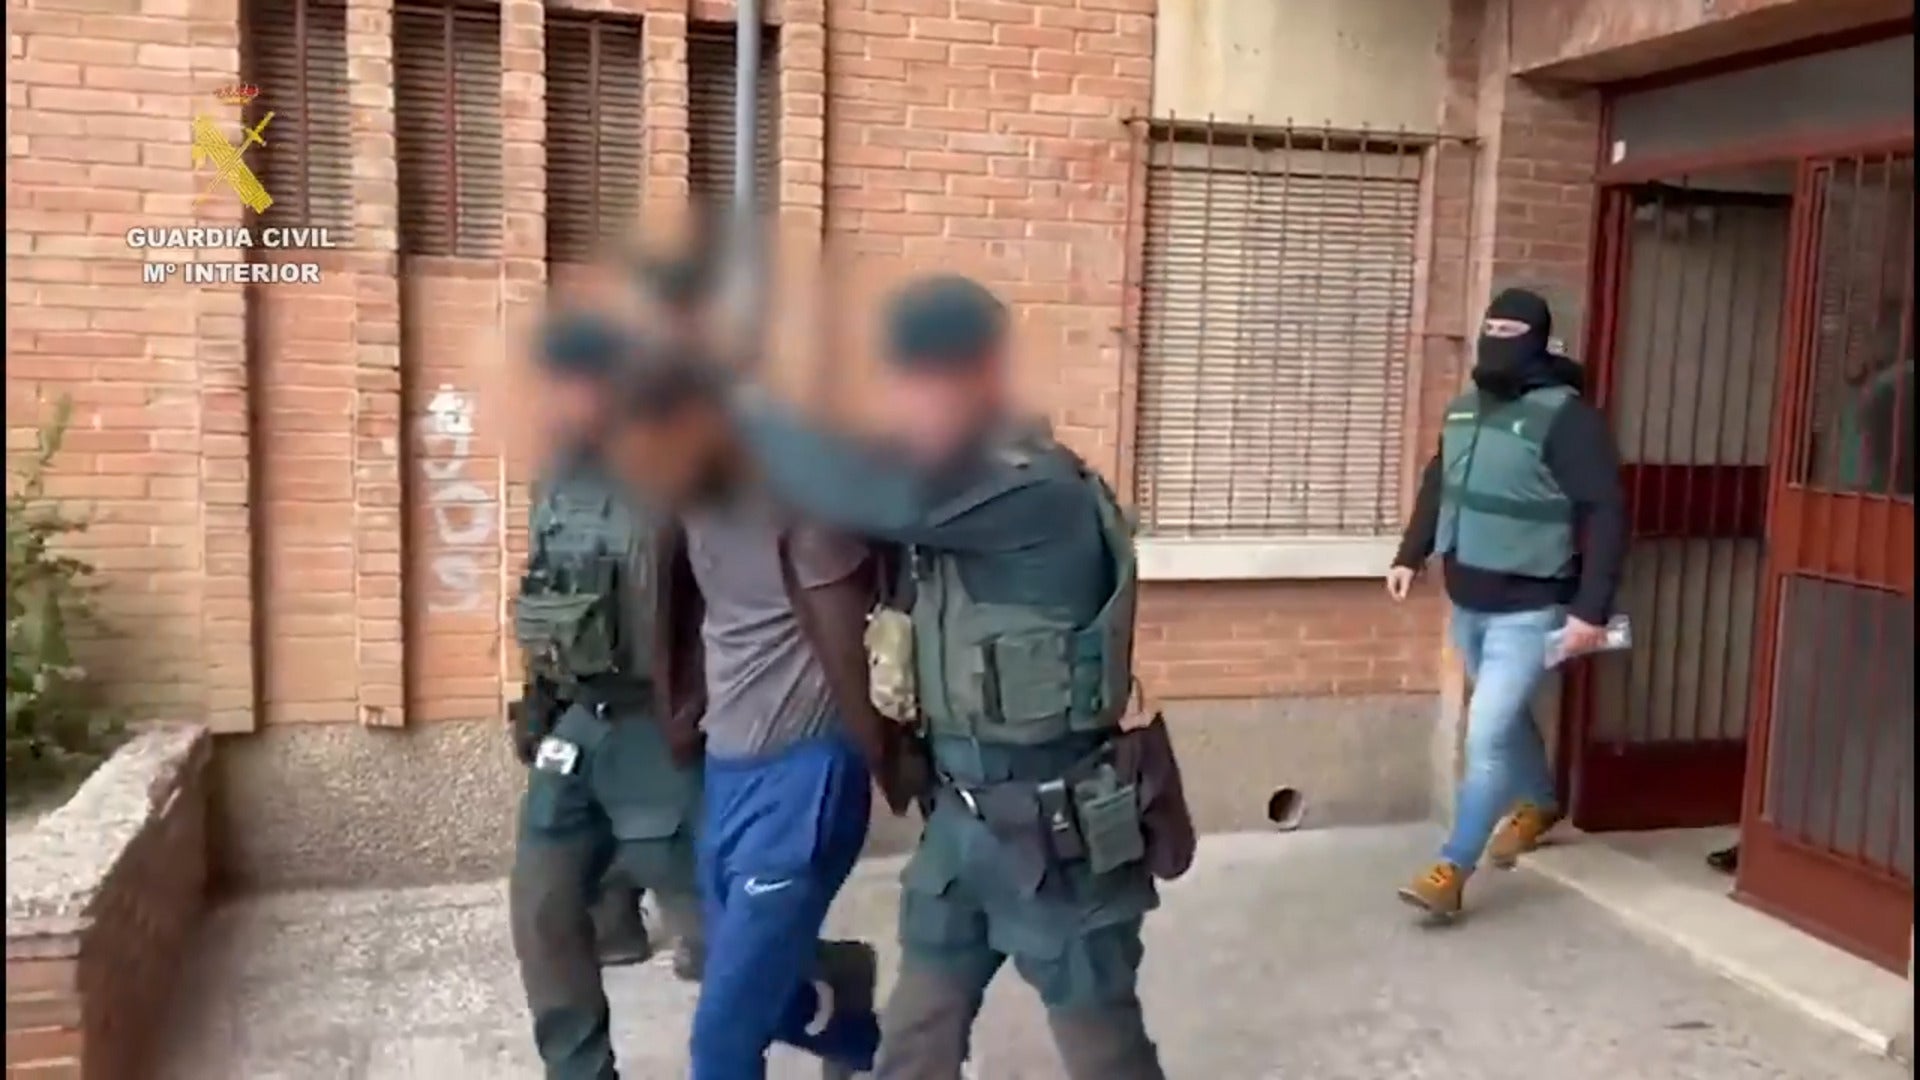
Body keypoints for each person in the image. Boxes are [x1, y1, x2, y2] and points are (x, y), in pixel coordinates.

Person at [727, 275, 1192, 1080]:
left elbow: (852, 490)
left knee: (1105, 1054)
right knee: (915, 1038)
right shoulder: (954, 482)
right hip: (962, 826)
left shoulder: (1033, 489)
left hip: (1056, 835)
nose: (905, 404)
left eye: (923, 382)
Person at [606, 350, 906, 1080]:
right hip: (727, 769)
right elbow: (681, 612)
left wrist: (895, 765)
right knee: (755, 989)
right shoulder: (692, 501)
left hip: (803, 779)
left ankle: (888, 1043)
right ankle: (861, 1030)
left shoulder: (810, 508)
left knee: (721, 1039)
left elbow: (854, 653)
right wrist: (682, 714)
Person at [507, 314, 706, 1080]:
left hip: (664, 734)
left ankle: (829, 994)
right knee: (543, 909)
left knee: (721, 938)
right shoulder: (558, 481)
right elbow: (546, 593)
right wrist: (537, 701)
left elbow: (740, 611)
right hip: (578, 726)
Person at [1387, 287, 1628, 917]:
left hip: (1531, 607)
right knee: (1504, 717)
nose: (1495, 341)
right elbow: (1439, 482)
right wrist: (1410, 554)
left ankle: (1451, 869)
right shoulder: (1464, 409)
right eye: (1489, 328)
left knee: (1486, 734)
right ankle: (1541, 803)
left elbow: (1606, 512)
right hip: (1467, 600)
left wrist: (1590, 610)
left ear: (1538, 342)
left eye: (1509, 332)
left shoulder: (1568, 420)